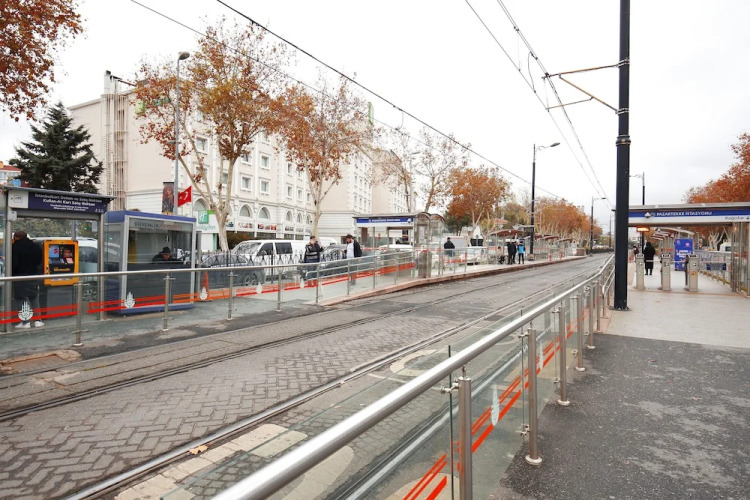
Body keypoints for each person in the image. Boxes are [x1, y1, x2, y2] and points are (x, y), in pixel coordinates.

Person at [12, 231, 43, 328]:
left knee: (21, 299)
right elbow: (39, 261)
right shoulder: (36, 246)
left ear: (16, 237)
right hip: (33, 276)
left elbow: (14, 264)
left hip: (20, 277)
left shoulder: (15, 247)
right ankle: (38, 321)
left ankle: (26, 322)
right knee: (34, 298)